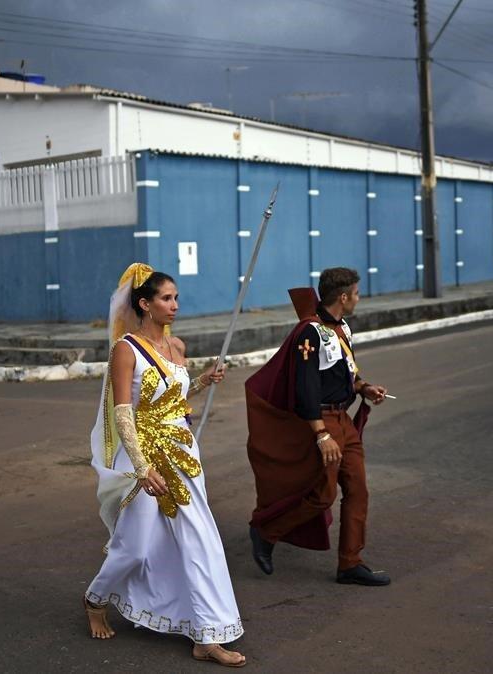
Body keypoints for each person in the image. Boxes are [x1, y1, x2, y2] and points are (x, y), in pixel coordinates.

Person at [85, 263, 246, 668]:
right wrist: (141, 468)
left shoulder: (178, 348)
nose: (174, 305)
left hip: (184, 455)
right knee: (135, 547)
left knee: (200, 541)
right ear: (144, 303)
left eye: (175, 298)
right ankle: (95, 599)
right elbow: (124, 413)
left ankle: (205, 635)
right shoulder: (126, 349)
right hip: (143, 458)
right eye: (166, 298)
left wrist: (204, 381)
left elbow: (174, 397)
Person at [244, 267, 392, 586]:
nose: (358, 298)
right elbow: (306, 387)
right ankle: (266, 532)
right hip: (323, 422)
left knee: (358, 489)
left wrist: (363, 387)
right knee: (322, 495)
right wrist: (321, 434)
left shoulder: (341, 328)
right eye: (355, 293)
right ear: (343, 296)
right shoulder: (310, 333)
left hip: (344, 421)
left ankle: (351, 563)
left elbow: (343, 374)